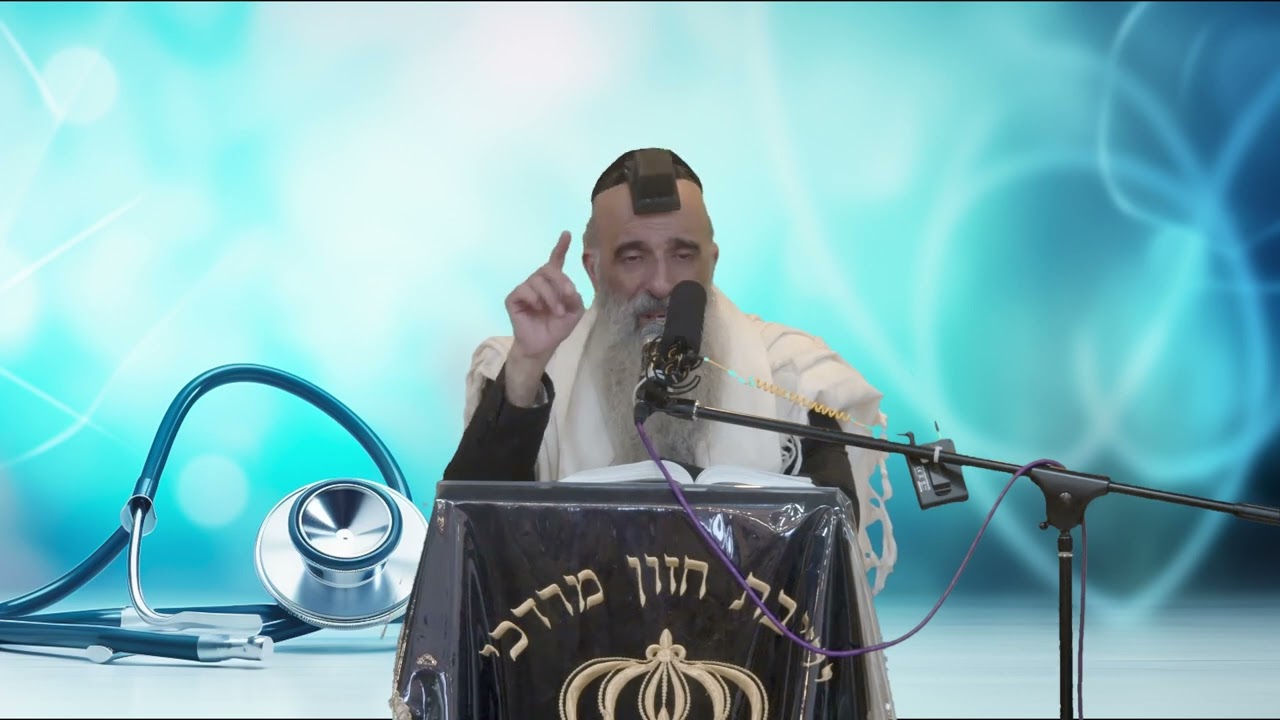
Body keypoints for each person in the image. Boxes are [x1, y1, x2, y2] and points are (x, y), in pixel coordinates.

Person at [442, 148, 897, 593]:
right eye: (633, 257)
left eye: (682, 255)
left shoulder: (790, 371)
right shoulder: (531, 365)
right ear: (593, 269)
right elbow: (469, 543)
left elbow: (828, 556)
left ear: (711, 262)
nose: (661, 284)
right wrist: (527, 365)